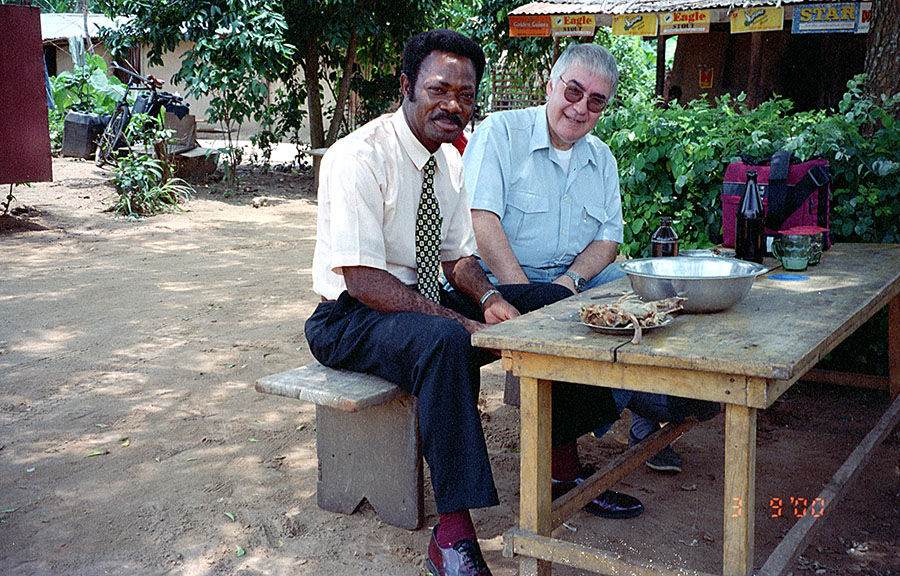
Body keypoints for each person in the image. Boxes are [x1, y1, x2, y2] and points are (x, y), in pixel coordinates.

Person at [305, 30, 638, 576]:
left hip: (424, 300)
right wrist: (464, 321)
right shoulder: (358, 156)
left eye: (465, 94)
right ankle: (453, 535)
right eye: (440, 89)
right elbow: (363, 279)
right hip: (350, 317)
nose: (453, 104)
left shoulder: (449, 163)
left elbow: (458, 260)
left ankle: (561, 462)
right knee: (443, 341)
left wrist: (486, 298)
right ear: (407, 87)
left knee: (553, 302)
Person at [463, 43, 718, 476]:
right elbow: (481, 222)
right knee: (576, 321)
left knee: (648, 291)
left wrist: (569, 284)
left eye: (595, 100)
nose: (580, 108)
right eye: (573, 92)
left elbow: (608, 241)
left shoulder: (601, 158)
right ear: (550, 86)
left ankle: (648, 414)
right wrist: (533, 296)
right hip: (500, 282)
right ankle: (650, 402)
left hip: (569, 283)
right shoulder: (501, 133)